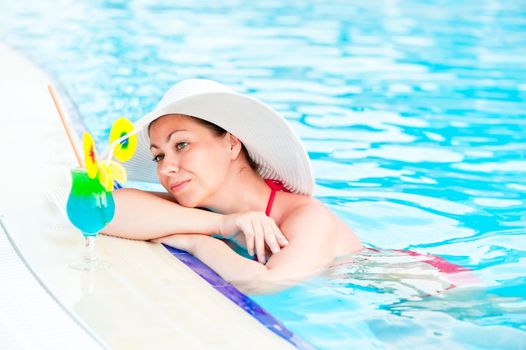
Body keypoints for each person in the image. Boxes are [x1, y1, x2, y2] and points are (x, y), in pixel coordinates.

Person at [104, 79, 363, 292]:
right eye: (159, 156)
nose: (165, 168)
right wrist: (222, 225)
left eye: (181, 145)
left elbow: (267, 282)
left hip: (391, 289)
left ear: (231, 144)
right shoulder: (207, 212)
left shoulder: (307, 216)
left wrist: (199, 243)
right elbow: (105, 209)